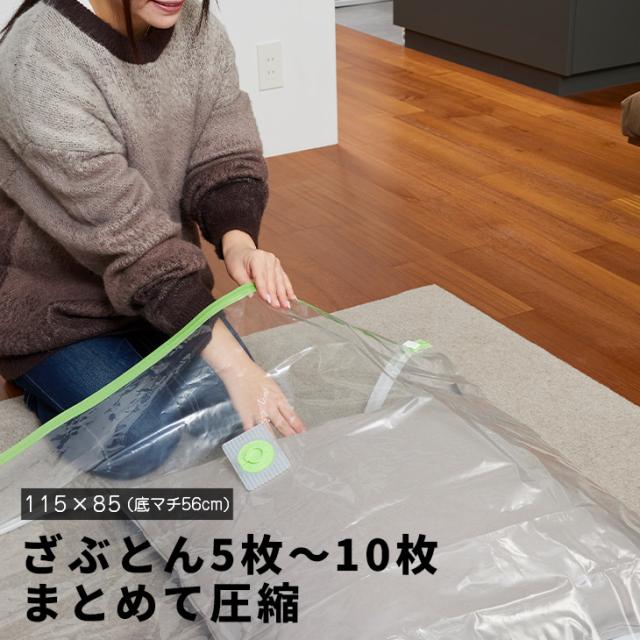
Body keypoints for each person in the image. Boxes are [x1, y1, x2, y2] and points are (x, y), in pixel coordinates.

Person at [0, 0, 305, 478]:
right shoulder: (39, 58)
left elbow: (224, 145)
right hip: (56, 307)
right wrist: (233, 366)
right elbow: (125, 233)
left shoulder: (195, 26)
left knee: (231, 416)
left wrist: (238, 241)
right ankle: (39, 387)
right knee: (144, 445)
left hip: (157, 289)